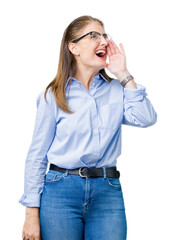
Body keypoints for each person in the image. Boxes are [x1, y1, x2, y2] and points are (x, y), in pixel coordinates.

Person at [19, 15, 157, 240]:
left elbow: (146, 118)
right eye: (93, 35)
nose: (103, 41)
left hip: (107, 191)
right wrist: (31, 212)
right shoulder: (53, 95)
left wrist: (123, 73)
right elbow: (37, 155)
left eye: (104, 35)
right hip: (60, 192)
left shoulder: (117, 89)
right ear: (73, 47)